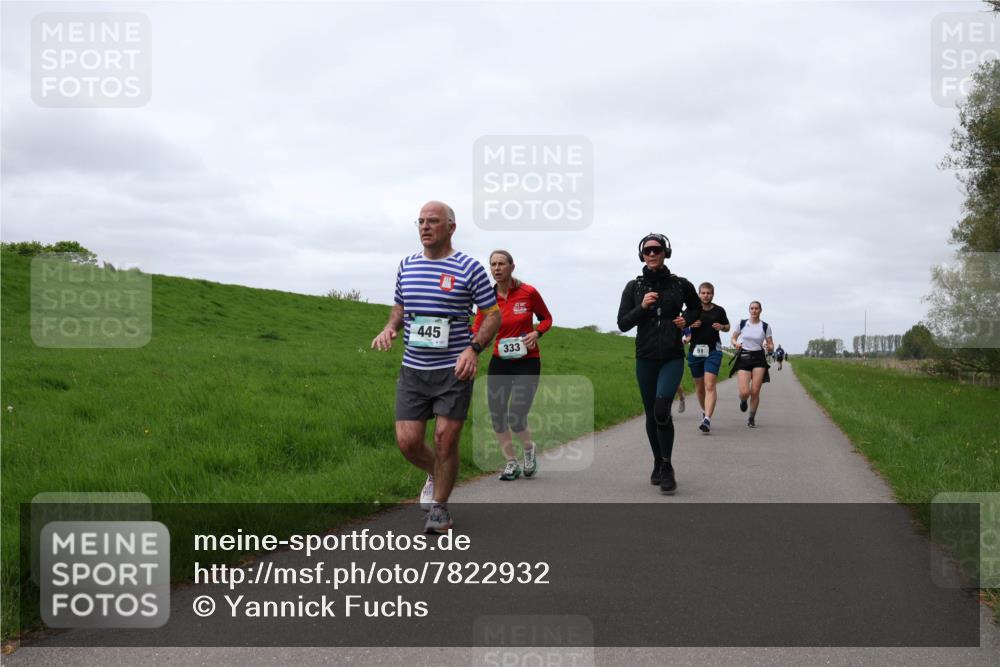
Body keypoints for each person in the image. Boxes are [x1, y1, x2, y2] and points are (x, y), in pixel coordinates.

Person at [371, 201, 501, 533]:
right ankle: (436, 472)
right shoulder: (407, 265)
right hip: (413, 369)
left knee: (445, 439)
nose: (425, 227)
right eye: (420, 221)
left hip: (454, 369)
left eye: (433, 221)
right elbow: (400, 307)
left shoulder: (469, 268)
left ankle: (440, 508)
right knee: (408, 442)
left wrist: (473, 349)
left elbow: (492, 315)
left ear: (451, 227)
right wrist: (390, 327)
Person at [617, 233, 700, 495]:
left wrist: (686, 318)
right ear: (641, 255)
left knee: (662, 408)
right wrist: (642, 307)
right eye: (648, 251)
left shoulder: (680, 284)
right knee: (651, 413)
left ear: (666, 253)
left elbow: (696, 308)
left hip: (672, 356)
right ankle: (657, 460)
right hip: (646, 357)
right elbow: (623, 323)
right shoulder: (634, 287)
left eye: (657, 249)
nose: (652, 254)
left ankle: (667, 465)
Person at [472, 250, 553, 481]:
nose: (497, 268)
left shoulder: (528, 292)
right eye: (493, 264)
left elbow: (547, 318)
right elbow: (477, 326)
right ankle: (510, 462)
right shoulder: (487, 298)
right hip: (500, 361)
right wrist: (472, 346)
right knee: (497, 414)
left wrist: (537, 333)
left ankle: (528, 450)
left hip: (527, 361)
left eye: (501, 264)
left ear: (512, 267)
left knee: (517, 414)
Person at [682, 282, 730, 434]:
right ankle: (704, 411)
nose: (706, 295)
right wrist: (690, 326)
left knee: (710, 385)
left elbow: (727, 326)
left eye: (708, 293)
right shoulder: (691, 310)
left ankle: (707, 419)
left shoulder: (719, 310)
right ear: (698, 294)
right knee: (700, 387)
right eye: (703, 293)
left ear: (713, 294)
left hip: (713, 351)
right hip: (695, 352)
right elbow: (681, 325)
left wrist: (721, 327)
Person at [729, 301, 774, 429]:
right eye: (752, 308)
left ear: (760, 310)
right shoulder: (742, 323)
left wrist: (769, 347)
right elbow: (733, 338)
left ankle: (751, 418)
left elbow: (771, 344)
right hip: (744, 357)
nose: (754, 311)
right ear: (749, 310)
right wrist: (736, 343)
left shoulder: (765, 326)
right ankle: (743, 400)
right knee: (745, 392)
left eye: (756, 308)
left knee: (755, 391)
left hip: (759, 358)